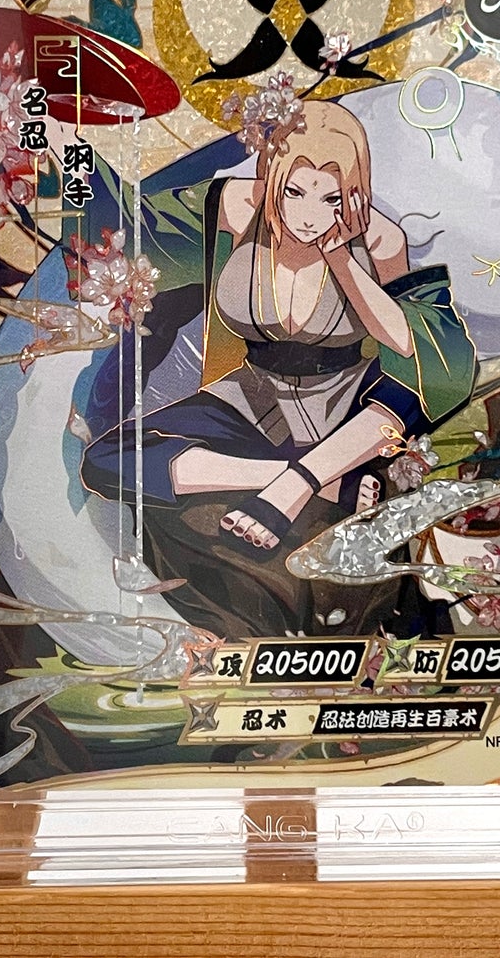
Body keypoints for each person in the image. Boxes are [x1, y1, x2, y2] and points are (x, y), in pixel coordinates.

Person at [80, 99, 476, 639]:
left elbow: (410, 343)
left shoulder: (380, 240)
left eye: (330, 197)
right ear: (272, 176)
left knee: (416, 383)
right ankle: (295, 478)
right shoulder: (234, 207)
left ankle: (304, 478)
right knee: (107, 459)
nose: (310, 214)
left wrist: (341, 257)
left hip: (346, 404)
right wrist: (65, 145)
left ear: (354, 191)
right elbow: (132, 227)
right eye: (295, 191)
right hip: (252, 393)